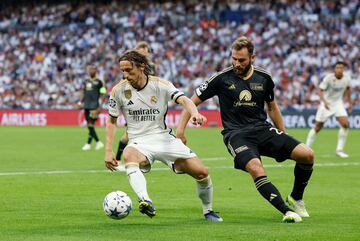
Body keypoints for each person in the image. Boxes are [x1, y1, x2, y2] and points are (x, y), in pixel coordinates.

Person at [176, 36, 315, 223]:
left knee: (307, 155)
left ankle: (296, 198)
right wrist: (180, 131)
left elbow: (272, 107)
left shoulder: (264, 78)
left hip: (262, 130)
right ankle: (286, 211)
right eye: (233, 58)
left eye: (241, 60)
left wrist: (283, 132)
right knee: (256, 168)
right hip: (236, 135)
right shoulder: (221, 78)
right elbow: (191, 101)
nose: (236, 63)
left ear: (252, 57)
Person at [104, 50, 223, 222]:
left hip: (164, 139)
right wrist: (108, 150)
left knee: (202, 173)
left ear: (142, 66)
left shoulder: (161, 85)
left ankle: (208, 211)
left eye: (129, 70)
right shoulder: (118, 91)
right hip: (139, 142)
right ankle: (145, 200)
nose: (125, 75)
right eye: (122, 71)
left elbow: (185, 100)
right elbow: (111, 121)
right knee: (129, 154)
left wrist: (195, 113)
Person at [115, 41, 155, 162]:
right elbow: (125, 79)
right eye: (141, 49)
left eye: (146, 49)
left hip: (148, 101)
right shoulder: (130, 64)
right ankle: (117, 159)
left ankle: (143, 157)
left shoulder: (152, 65)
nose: (144, 51)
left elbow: (154, 81)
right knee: (129, 134)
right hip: (133, 99)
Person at [306, 61, 352, 158]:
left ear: (344, 69)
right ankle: (306, 148)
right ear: (334, 69)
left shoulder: (347, 78)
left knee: (345, 124)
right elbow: (319, 90)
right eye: (337, 67)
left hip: (338, 103)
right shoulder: (329, 78)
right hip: (327, 103)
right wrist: (325, 102)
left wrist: (350, 103)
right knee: (318, 127)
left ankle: (339, 150)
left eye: (341, 68)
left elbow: (348, 89)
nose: (339, 69)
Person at [78, 65, 106, 151]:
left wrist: (100, 105)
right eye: (90, 69)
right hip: (86, 105)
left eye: (93, 69)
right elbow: (83, 91)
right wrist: (80, 102)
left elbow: (103, 94)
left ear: (96, 71)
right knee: (90, 125)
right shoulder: (86, 81)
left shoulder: (99, 81)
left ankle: (97, 142)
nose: (91, 71)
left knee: (90, 124)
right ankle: (89, 144)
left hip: (94, 106)